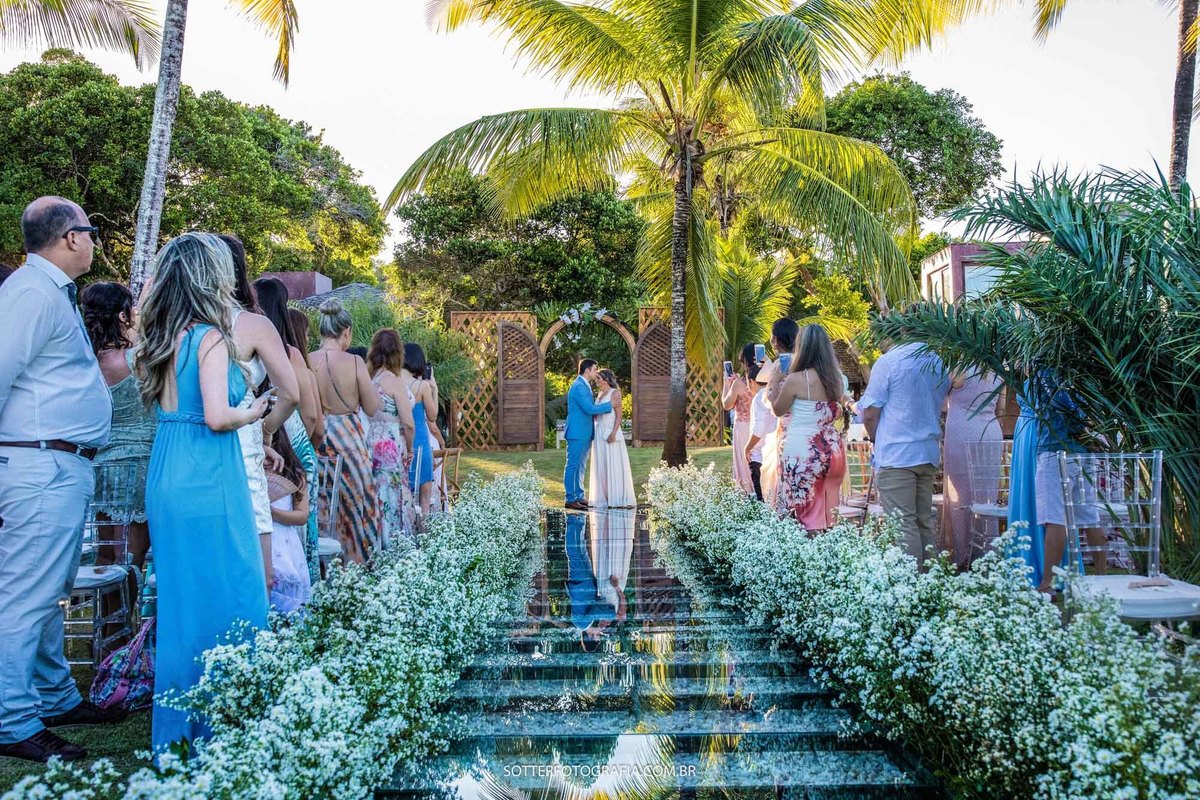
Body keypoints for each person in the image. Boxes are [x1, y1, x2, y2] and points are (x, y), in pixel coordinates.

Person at [137, 231, 271, 754]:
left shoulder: (163, 338)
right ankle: (223, 723)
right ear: (206, 277)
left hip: (169, 467)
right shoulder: (211, 338)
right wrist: (255, 411)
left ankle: (178, 730)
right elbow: (217, 417)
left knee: (182, 602)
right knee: (233, 590)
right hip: (207, 472)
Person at [0, 197, 120, 763]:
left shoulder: (51, 293)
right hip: (39, 463)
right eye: (91, 232)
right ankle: (12, 718)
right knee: (25, 595)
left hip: (59, 462)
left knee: (48, 594)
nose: (95, 241)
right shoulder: (29, 294)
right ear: (72, 237)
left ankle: (53, 694)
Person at [221, 235, 299, 590]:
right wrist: (264, 428)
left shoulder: (182, 325)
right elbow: (291, 393)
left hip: (190, 441)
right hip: (242, 438)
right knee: (256, 553)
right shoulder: (251, 324)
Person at [80, 282, 156, 571]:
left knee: (104, 556)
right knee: (130, 559)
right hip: (138, 464)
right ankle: (126, 618)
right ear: (122, 316)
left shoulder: (86, 359)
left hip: (101, 463)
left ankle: (106, 617)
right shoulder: (137, 358)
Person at [254, 278, 322, 580]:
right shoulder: (290, 353)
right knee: (303, 518)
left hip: (259, 432)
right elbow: (309, 414)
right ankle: (302, 582)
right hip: (291, 438)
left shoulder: (245, 343)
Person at [860, 339, 950, 569]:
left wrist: (875, 439)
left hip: (896, 454)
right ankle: (930, 581)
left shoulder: (889, 361)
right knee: (923, 523)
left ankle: (911, 586)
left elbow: (870, 413)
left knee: (903, 525)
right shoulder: (937, 360)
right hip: (927, 451)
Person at [310, 298, 380, 562]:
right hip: (350, 445)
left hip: (318, 441)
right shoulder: (354, 363)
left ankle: (323, 569)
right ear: (346, 332)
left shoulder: (308, 361)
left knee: (323, 505)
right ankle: (357, 566)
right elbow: (372, 408)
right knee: (354, 506)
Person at [1029, 370, 1107, 595]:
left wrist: (1081, 431)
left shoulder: (1044, 364)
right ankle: (1102, 580)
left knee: (1055, 518)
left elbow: (1059, 401)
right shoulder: (1080, 359)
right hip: (1084, 450)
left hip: (1056, 448)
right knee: (1090, 516)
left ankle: (1047, 584)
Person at [771, 325, 844, 529]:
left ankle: (812, 558)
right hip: (834, 451)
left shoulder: (796, 380)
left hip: (804, 453)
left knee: (808, 518)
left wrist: (776, 380)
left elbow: (778, 410)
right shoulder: (837, 379)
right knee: (831, 516)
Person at [941, 370, 1004, 569]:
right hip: (990, 432)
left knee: (959, 496)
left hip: (962, 431)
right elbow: (1000, 410)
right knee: (987, 496)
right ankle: (987, 553)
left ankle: (962, 556)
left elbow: (939, 403)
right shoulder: (997, 372)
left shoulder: (957, 370)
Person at [366, 329, 417, 543]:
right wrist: (410, 447)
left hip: (371, 443)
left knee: (377, 494)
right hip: (391, 445)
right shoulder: (394, 382)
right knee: (394, 493)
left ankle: (377, 541)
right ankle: (395, 543)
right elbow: (408, 423)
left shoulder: (370, 379)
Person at [265, 428, 313, 613]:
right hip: (255, 537)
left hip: (284, 541)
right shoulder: (249, 474)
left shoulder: (294, 474)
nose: (266, 461)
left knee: (286, 588)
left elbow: (302, 515)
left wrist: (272, 513)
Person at [400, 342, 443, 519]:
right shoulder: (422, 386)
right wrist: (434, 389)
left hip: (401, 441)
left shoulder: (391, 383)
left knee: (403, 497)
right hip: (420, 441)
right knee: (424, 502)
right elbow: (432, 416)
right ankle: (423, 538)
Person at [563, 359, 613, 511]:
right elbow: (589, 409)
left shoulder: (585, 385)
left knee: (581, 465)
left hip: (584, 432)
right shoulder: (579, 386)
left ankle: (579, 495)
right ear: (587, 370)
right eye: (594, 369)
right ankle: (570, 498)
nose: (596, 372)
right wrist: (611, 405)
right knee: (572, 465)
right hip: (577, 432)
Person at [589, 369, 635, 508]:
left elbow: (619, 415)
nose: (597, 381)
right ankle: (604, 497)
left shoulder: (615, 393)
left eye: (599, 378)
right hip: (599, 432)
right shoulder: (599, 394)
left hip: (610, 431)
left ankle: (617, 497)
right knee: (602, 464)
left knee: (613, 463)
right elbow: (597, 413)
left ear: (606, 379)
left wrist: (613, 433)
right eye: (596, 378)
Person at [722, 344, 756, 496]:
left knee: (743, 464)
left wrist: (726, 383)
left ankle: (746, 494)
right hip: (760, 427)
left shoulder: (739, 383)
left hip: (742, 428)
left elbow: (726, 404)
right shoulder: (765, 381)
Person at [743, 362, 772, 502]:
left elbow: (758, 428)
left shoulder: (759, 398)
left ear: (752, 381)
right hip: (774, 452)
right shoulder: (774, 394)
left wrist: (747, 447)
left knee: (763, 499)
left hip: (759, 454)